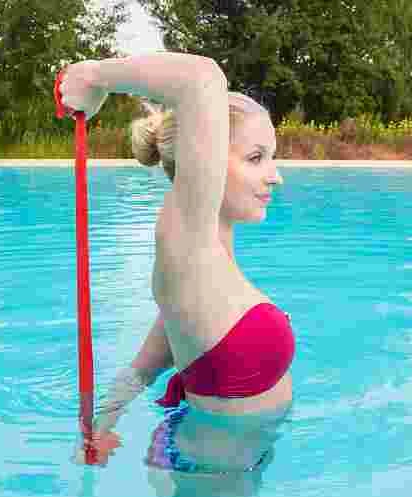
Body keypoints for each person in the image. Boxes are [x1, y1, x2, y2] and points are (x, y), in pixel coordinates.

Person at [59, 53, 295, 471]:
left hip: (234, 462)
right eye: (256, 157)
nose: (276, 175)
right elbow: (201, 77)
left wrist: (102, 424)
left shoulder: (209, 262)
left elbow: (145, 365)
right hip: (210, 481)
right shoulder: (186, 243)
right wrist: (93, 77)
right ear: (203, 161)